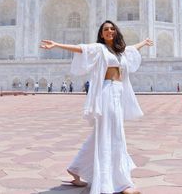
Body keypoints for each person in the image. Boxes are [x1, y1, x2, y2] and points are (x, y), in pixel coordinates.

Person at [40, 20, 153, 194]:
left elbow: (131, 49)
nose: (109, 31)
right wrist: (56, 45)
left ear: (115, 32)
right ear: (101, 34)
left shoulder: (119, 51)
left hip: (118, 93)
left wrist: (144, 43)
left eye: (112, 29)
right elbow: (81, 48)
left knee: (103, 134)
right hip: (107, 93)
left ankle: (75, 168)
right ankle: (119, 183)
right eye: (106, 29)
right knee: (113, 134)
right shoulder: (100, 49)